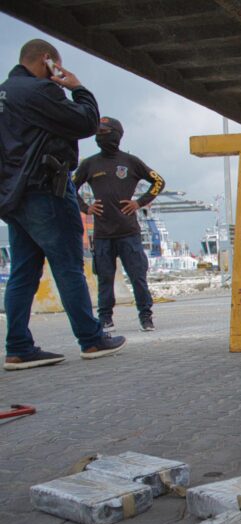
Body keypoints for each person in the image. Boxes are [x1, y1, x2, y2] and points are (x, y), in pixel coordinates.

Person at [0, 39, 126, 371]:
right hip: (46, 189)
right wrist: (77, 87)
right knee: (68, 265)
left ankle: (17, 347)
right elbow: (85, 122)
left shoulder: (4, 93)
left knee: (23, 272)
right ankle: (92, 339)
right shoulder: (39, 92)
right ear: (48, 61)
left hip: (13, 196)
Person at [74, 117, 165, 332]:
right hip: (103, 234)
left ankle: (146, 316)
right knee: (105, 279)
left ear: (116, 133)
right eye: (98, 132)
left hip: (129, 233)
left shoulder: (131, 162)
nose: (100, 135)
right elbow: (70, 187)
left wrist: (139, 202)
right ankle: (105, 318)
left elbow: (159, 181)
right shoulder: (89, 163)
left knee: (138, 278)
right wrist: (86, 208)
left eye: (104, 131)